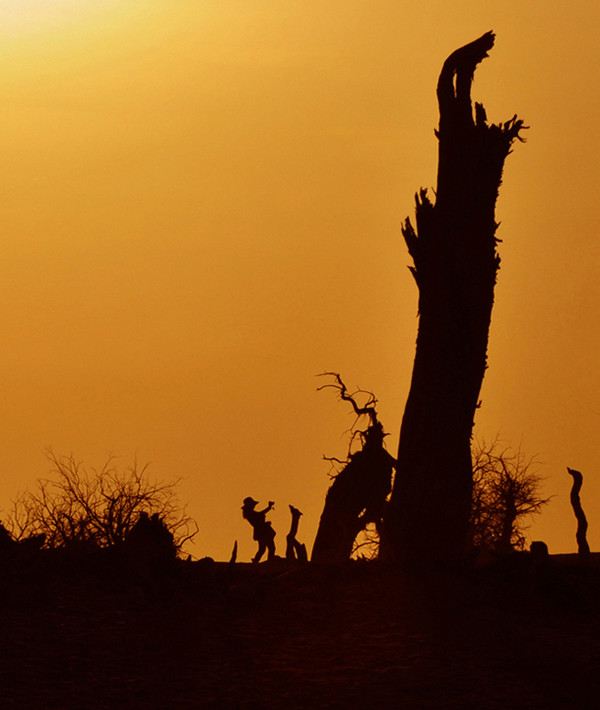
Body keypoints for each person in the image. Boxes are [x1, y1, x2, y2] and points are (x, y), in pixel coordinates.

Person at [241, 497, 276, 562]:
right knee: (270, 548)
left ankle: (257, 560)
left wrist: (268, 508)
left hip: (261, 532)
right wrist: (268, 508)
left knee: (263, 549)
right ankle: (270, 561)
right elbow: (259, 517)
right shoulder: (251, 514)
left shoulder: (251, 514)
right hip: (262, 532)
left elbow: (259, 516)